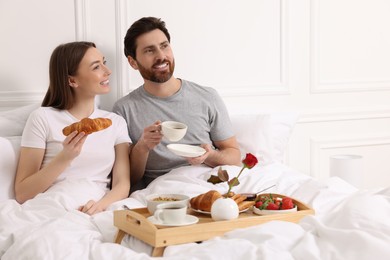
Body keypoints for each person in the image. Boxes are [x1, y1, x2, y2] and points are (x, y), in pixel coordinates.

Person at [113, 17, 241, 192]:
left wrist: (210, 156)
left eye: (164, 46)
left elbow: (234, 156)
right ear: (133, 62)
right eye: (150, 51)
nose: (161, 56)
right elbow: (130, 179)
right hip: (163, 190)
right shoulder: (124, 109)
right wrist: (142, 146)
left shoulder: (206, 96)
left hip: (209, 184)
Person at [14, 41, 131, 215]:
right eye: (96, 67)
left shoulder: (116, 122)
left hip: (99, 206)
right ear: (72, 80)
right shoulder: (42, 118)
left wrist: (100, 206)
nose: (108, 71)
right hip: (53, 206)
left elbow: (122, 183)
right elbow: (23, 193)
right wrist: (66, 157)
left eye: (104, 63)